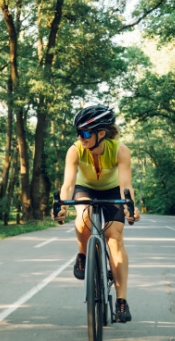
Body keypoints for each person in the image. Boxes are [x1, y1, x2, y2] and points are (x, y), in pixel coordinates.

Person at [53, 105, 141, 322]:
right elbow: (68, 183)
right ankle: (82, 254)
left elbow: (125, 185)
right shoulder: (75, 150)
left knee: (115, 238)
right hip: (85, 188)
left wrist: (131, 208)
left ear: (101, 133)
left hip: (113, 190)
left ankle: (121, 301)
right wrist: (63, 205)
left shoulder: (120, 150)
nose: (80, 137)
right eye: (78, 132)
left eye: (85, 133)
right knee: (83, 218)